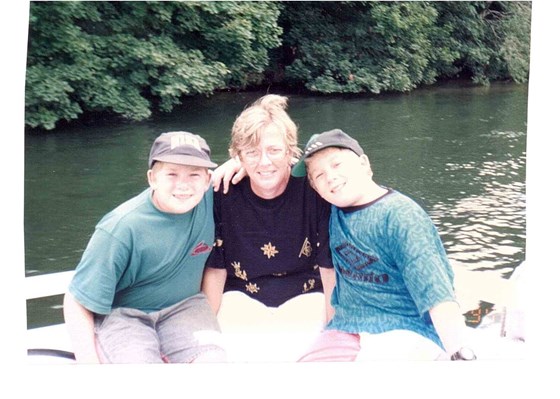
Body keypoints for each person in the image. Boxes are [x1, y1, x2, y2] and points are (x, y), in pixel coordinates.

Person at [291, 128, 477, 361]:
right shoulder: (332, 211)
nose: (330, 177)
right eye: (319, 175)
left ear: (364, 164)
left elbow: (436, 293)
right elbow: (270, 175)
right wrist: (237, 162)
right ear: (317, 189)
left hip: (404, 332)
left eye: (337, 165)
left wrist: (458, 351)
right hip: (347, 329)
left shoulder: (400, 216)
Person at [63, 131, 227, 363]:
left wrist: (238, 161)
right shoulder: (121, 227)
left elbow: (264, 165)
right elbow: (76, 301)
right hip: (124, 315)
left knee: (213, 364)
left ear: (207, 179)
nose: (183, 185)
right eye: (171, 174)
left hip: (185, 307)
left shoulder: (212, 198)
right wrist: (89, 365)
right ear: (152, 178)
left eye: (194, 174)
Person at [202, 94, 336, 362]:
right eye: (251, 153)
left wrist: (333, 332)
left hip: (307, 297)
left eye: (274, 151)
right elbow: (215, 268)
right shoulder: (223, 192)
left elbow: (328, 267)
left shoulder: (314, 189)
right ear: (237, 155)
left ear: (290, 151)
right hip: (240, 300)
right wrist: (208, 333)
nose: (264, 162)